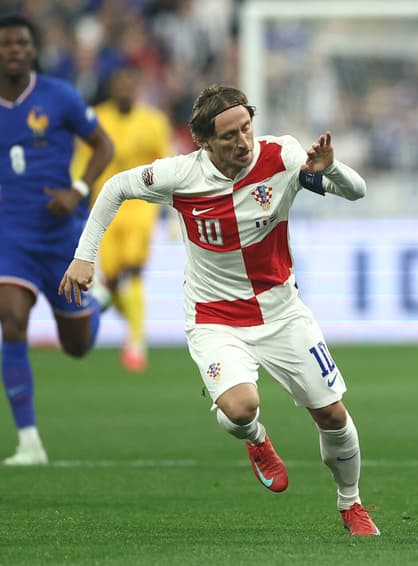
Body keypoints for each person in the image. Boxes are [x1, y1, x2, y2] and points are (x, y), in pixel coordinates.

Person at [59, 85, 380, 536]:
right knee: (241, 407)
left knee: (332, 415)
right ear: (204, 141)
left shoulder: (282, 155)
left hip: (282, 311)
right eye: (229, 136)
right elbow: (115, 187)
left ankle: (351, 503)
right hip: (214, 316)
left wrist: (334, 169)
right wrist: (85, 254)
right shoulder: (180, 175)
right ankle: (257, 441)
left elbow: (356, 192)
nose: (243, 142)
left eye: (246, 128)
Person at [0, 14, 114, 466]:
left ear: (32, 50)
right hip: (10, 234)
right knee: (10, 319)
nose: (14, 51)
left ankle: (95, 304)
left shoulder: (59, 96)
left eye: (21, 44)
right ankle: (29, 441)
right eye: (6, 44)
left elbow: (104, 146)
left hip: (60, 233)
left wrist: (79, 190)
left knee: (77, 346)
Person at [71, 65, 173, 372]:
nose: (125, 91)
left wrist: (171, 210)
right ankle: (134, 327)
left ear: (138, 88)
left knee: (133, 271)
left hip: (142, 207)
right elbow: (82, 163)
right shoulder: (97, 118)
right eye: (120, 85)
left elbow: (168, 164)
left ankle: (137, 342)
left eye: (131, 85)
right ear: (113, 88)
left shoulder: (154, 122)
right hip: (106, 208)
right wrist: (78, 194)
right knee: (112, 281)